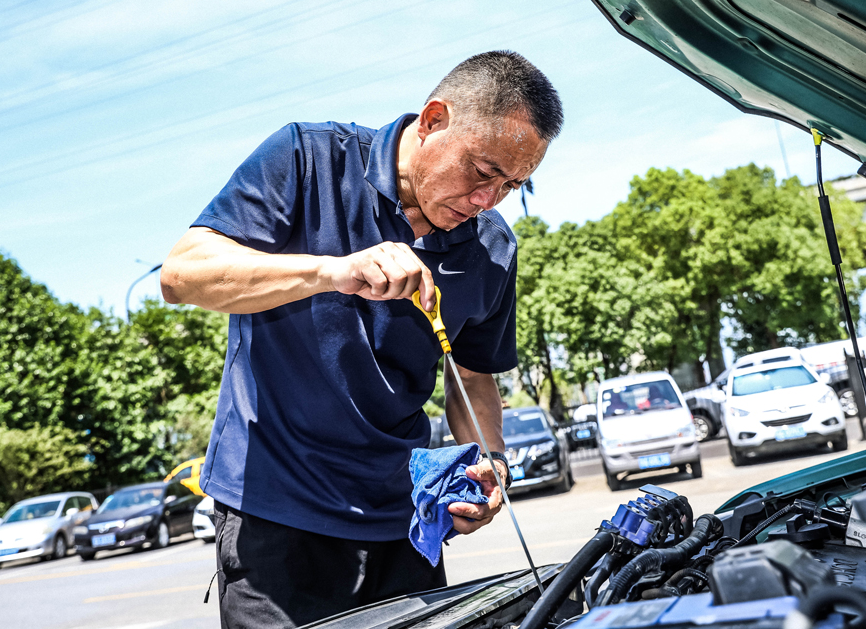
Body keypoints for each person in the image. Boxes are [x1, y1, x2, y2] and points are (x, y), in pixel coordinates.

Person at [160, 50, 563, 627]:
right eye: (481, 172)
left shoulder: (492, 250)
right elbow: (181, 276)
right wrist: (334, 271)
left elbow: (471, 378)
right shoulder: (304, 157)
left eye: (512, 185)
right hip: (274, 517)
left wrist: (491, 463)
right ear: (433, 120)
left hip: (404, 526)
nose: (486, 201)